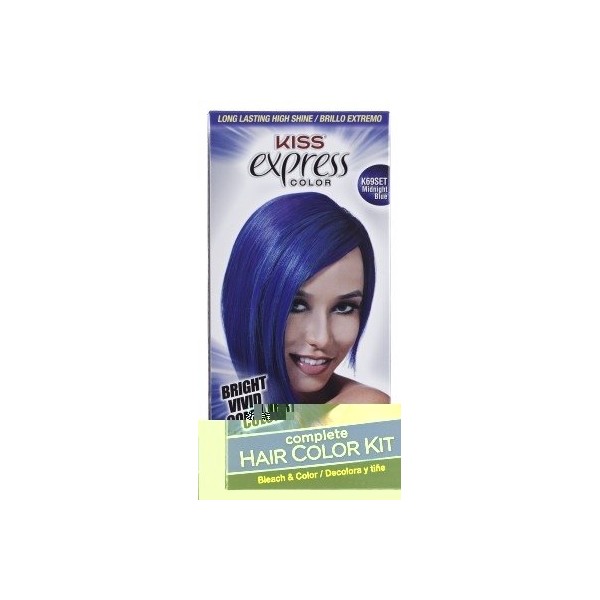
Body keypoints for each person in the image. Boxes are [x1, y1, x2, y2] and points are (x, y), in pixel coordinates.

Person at [221, 192, 390, 405]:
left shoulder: (364, 407)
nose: (322, 339)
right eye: (297, 305)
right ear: (250, 303)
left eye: (344, 308)